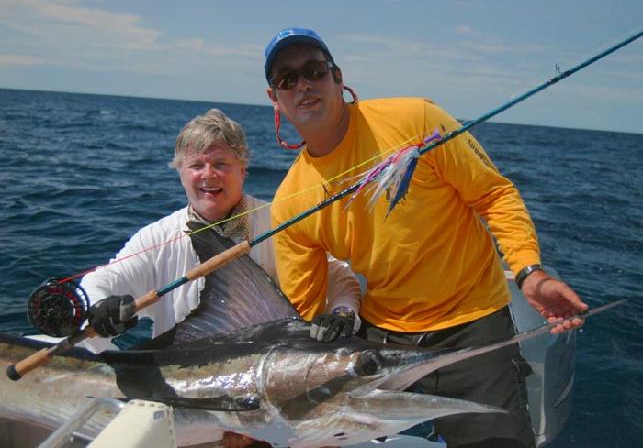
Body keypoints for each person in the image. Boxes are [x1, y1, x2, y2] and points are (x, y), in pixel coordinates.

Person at [264, 27, 588, 448]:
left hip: (472, 328)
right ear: (275, 99)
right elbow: (303, 312)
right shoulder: (289, 202)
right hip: (381, 342)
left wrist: (529, 271)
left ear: (338, 78)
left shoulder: (416, 119)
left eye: (314, 70)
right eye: (287, 79)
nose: (303, 84)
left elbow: (494, 194)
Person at [81, 108, 362, 448]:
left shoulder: (280, 224)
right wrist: (99, 306)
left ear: (243, 169)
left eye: (221, 164)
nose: (208, 175)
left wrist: (343, 312)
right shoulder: (157, 237)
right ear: (180, 172)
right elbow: (101, 281)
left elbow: (339, 277)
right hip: (191, 410)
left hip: (275, 411)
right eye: (196, 165)